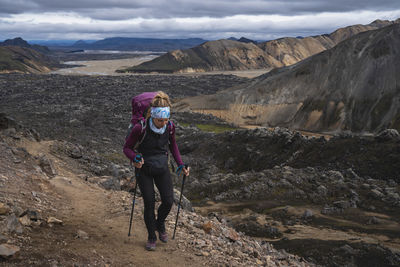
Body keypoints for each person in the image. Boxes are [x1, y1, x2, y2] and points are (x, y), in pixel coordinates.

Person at [123, 91, 190, 251]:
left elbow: (173, 146)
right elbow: (127, 148)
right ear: (152, 116)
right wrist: (135, 158)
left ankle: (160, 223)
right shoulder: (140, 128)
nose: (164, 123)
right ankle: (151, 237)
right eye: (161, 120)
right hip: (144, 169)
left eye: (166, 119)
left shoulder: (170, 127)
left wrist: (180, 164)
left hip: (162, 167)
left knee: (168, 201)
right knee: (149, 203)